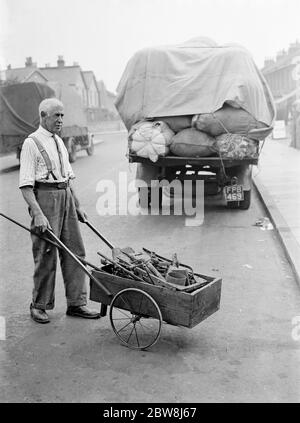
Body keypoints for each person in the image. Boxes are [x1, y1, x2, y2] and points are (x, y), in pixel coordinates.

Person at [19, 98, 100, 323]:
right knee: (46, 253)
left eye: (63, 116)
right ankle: (39, 305)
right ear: (44, 115)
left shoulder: (59, 141)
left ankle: (77, 303)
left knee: (75, 250)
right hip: (45, 198)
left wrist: (78, 205)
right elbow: (26, 186)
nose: (61, 120)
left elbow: (68, 177)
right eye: (56, 115)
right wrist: (37, 213)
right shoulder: (31, 143)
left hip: (65, 197)